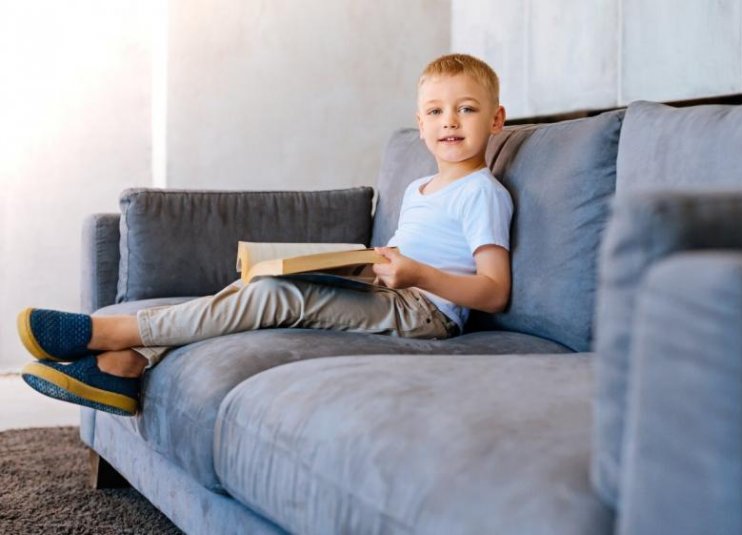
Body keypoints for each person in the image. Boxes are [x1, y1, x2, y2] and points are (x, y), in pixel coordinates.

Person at [17, 53, 514, 416]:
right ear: (420, 125)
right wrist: (373, 263)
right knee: (257, 285)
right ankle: (124, 366)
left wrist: (418, 273)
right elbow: (409, 254)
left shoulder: (482, 192)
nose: (449, 121)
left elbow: (493, 291)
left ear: (495, 119)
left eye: (466, 109)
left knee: (277, 295)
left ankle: (112, 333)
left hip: (425, 314)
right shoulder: (418, 187)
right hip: (391, 290)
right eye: (435, 111)